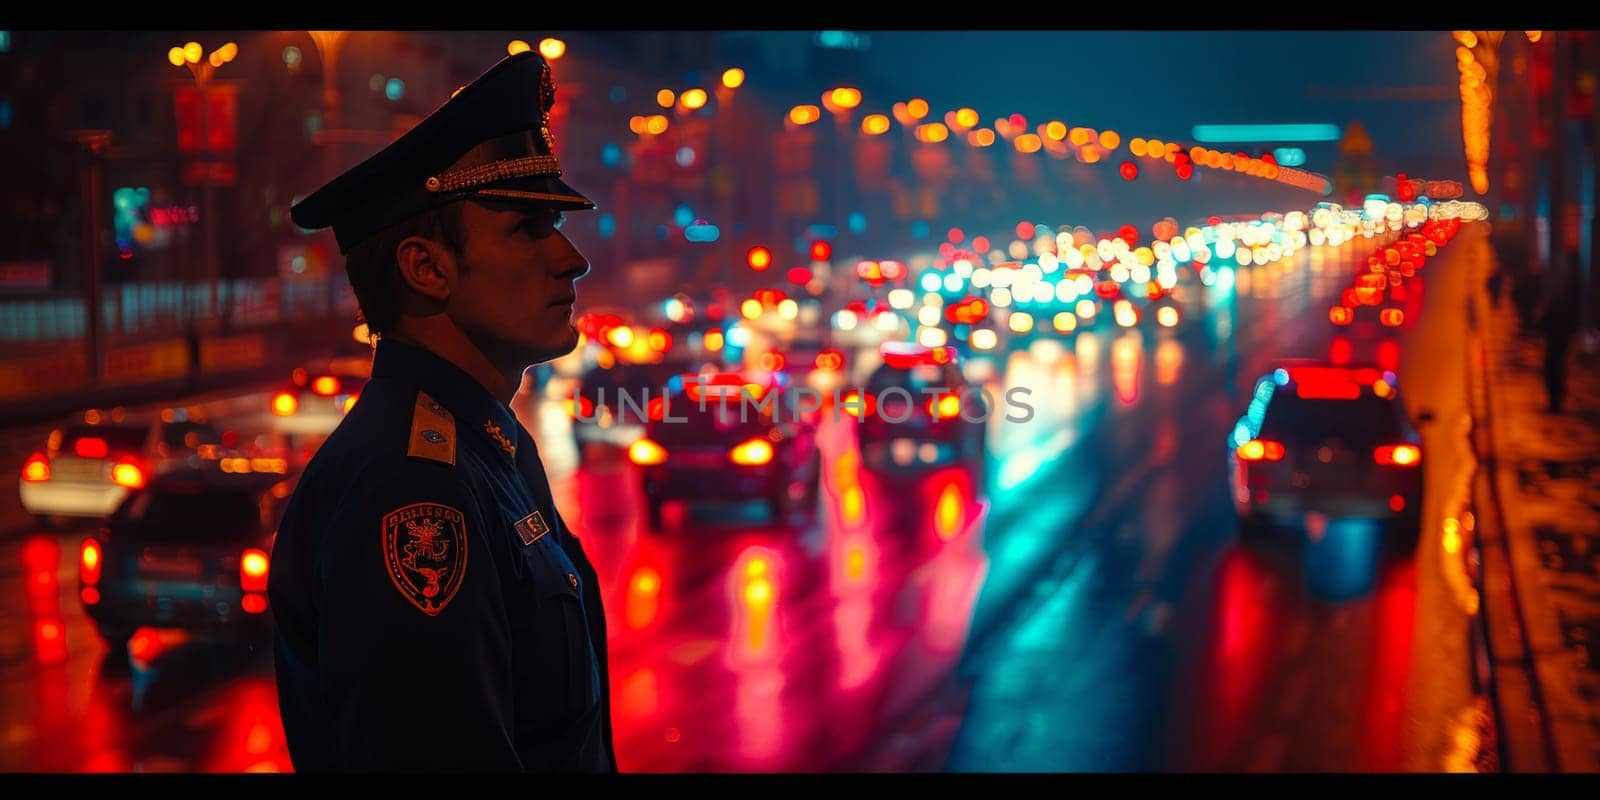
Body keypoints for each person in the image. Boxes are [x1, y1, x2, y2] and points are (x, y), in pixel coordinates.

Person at [267, 51, 616, 772]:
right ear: (427, 268)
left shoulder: (489, 448)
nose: (572, 259)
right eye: (527, 229)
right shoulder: (412, 488)